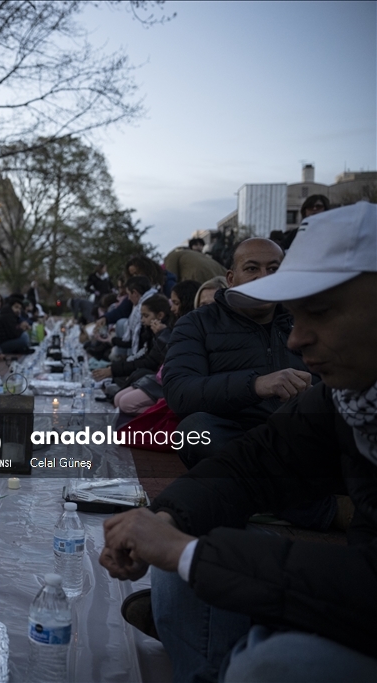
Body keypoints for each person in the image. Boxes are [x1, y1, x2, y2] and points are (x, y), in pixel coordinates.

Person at [100, 202, 377, 683]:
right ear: (229, 275)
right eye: (297, 312)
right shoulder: (348, 396)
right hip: (231, 435)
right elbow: (249, 456)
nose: (298, 340)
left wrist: (193, 555)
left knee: (268, 663)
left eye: (322, 312)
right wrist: (166, 519)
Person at [163, 238, 316, 467]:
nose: (263, 277)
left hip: (299, 436)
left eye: (274, 269)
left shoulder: (307, 321)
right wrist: (255, 385)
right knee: (195, 430)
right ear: (231, 279)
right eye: (252, 268)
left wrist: (316, 395)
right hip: (235, 438)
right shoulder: (197, 324)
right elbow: (179, 391)